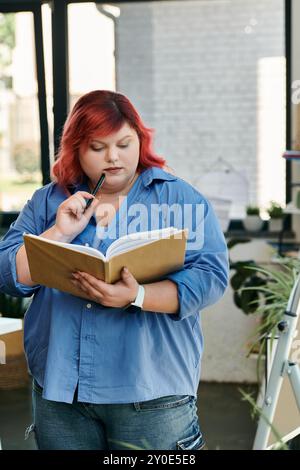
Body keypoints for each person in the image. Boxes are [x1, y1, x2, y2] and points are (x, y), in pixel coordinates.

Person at [0, 90, 229, 450]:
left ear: (140, 139)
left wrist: (136, 295)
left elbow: (211, 278)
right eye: (97, 147)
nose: (114, 157)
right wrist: (58, 233)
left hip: (151, 396)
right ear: (76, 148)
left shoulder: (178, 198)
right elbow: (6, 274)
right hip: (61, 397)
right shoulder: (48, 201)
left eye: (124, 143)